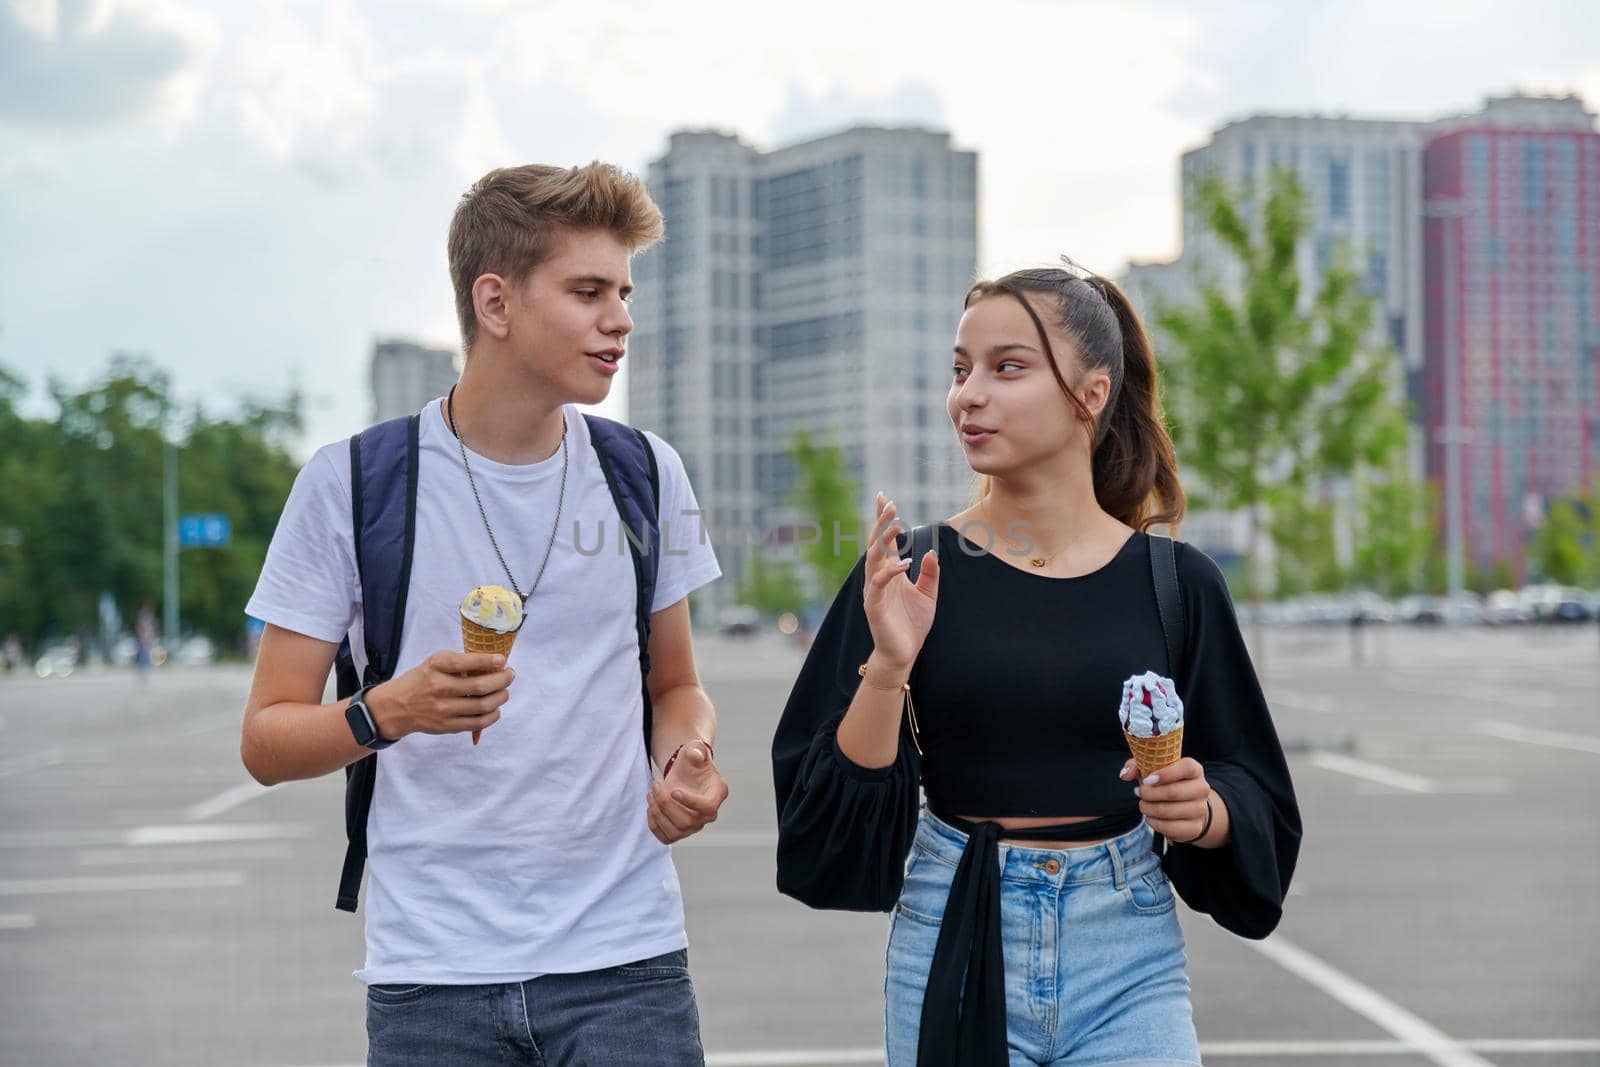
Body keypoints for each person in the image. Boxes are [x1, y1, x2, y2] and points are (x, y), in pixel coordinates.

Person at [241, 162, 727, 1066]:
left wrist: (685, 756)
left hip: (626, 959)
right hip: (434, 972)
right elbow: (265, 740)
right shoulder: (351, 484)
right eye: (588, 291)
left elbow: (677, 684)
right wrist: (391, 708)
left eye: (622, 291)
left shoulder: (646, 471)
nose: (620, 318)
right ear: (495, 303)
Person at [772, 265, 1301, 1066]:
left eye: (1006, 367)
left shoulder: (1177, 583)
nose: (967, 396)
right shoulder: (910, 571)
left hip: (1128, 953)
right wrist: (887, 667)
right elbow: (820, 833)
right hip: (954, 935)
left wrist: (1207, 810)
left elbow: (1253, 787)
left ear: (1090, 394)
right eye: (960, 370)